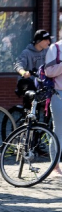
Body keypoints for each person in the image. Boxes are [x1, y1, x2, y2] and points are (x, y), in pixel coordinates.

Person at [14, 29, 51, 101]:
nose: (48, 42)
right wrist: (24, 73)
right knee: (31, 107)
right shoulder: (27, 53)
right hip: (30, 84)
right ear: (38, 41)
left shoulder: (48, 50)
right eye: (46, 40)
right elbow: (18, 65)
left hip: (42, 83)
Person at [44, 36, 62, 174]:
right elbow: (49, 72)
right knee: (59, 130)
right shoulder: (55, 48)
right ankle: (55, 164)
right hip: (59, 93)